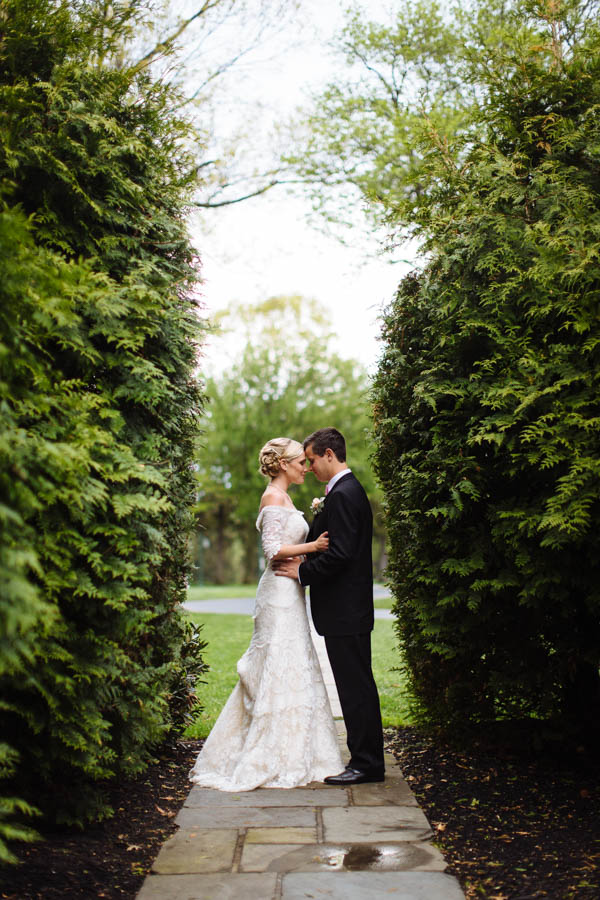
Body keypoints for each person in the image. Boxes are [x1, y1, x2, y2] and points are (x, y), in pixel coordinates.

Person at [189, 437, 343, 791]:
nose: (306, 467)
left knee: (295, 661)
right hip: (277, 593)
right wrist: (314, 546)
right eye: (300, 462)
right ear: (284, 464)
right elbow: (273, 550)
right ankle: (266, 753)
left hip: (292, 589)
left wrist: (306, 560)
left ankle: (301, 751)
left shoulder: (286, 497)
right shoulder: (272, 497)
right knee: (277, 661)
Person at [273, 427, 385, 785]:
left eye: (312, 460)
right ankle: (365, 759)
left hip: (345, 610)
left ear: (329, 456)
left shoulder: (344, 495)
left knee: (355, 688)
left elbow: (340, 555)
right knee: (356, 686)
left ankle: (366, 764)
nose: (310, 468)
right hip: (346, 610)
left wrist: (302, 571)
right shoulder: (343, 492)